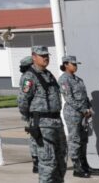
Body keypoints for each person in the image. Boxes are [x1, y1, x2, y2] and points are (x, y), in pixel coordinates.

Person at [19, 45, 67, 182]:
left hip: (56, 122)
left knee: (61, 160)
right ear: (34, 57)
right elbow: (22, 101)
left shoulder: (48, 74)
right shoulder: (29, 77)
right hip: (42, 125)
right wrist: (31, 119)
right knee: (48, 163)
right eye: (42, 56)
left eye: (47, 56)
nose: (45, 58)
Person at [59, 55, 99, 177]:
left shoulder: (78, 80)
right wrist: (83, 109)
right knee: (75, 140)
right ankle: (77, 168)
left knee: (83, 140)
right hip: (73, 114)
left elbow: (85, 96)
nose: (76, 66)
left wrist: (89, 108)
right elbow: (69, 98)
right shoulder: (64, 79)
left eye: (76, 64)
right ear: (66, 64)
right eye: (73, 64)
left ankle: (85, 165)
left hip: (83, 114)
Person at [20, 56, 39, 173]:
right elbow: (24, 99)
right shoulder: (27, 78)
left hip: (37, 113)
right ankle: (36, 162)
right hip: (33, 114)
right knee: (34, 138)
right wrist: (26, 114)